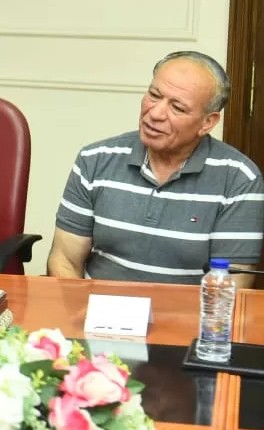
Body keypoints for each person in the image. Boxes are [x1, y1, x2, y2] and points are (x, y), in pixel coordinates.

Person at [47, 51, 264, 287]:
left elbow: (231, 285)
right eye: (154, 95)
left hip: (188, 311)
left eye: (177, 107)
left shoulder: (239, 179)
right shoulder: (95, 160)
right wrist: (84, 307)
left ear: (207, 122)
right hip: (97, 306)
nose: (155, 113)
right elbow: (64, 260)